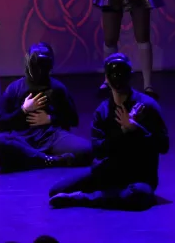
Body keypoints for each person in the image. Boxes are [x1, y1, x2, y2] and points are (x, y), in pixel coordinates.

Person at [48, 53, 168, 210]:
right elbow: (99, 150)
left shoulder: (147, 106)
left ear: (129, 76)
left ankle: (84, 199)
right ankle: (107, 194)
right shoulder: (102, 111)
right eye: (113, 74)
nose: (117, 78)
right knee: (56, 191)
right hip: (109, 172)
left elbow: (163, 145)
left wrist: (136, 129)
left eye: (121, 73)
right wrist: (123, 131)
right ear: (106, 78)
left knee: (138, 195)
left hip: (139, 176)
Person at [0, 43, 92, 172]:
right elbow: (0, 123)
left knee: (86, 150)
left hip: (51, 138)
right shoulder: (14, 88)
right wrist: (23, 110)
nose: (39, 71)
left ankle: (31, 159)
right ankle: (48, 160)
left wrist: (51, 119)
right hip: (23, 139)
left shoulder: (58, 88)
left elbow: (73, 119)